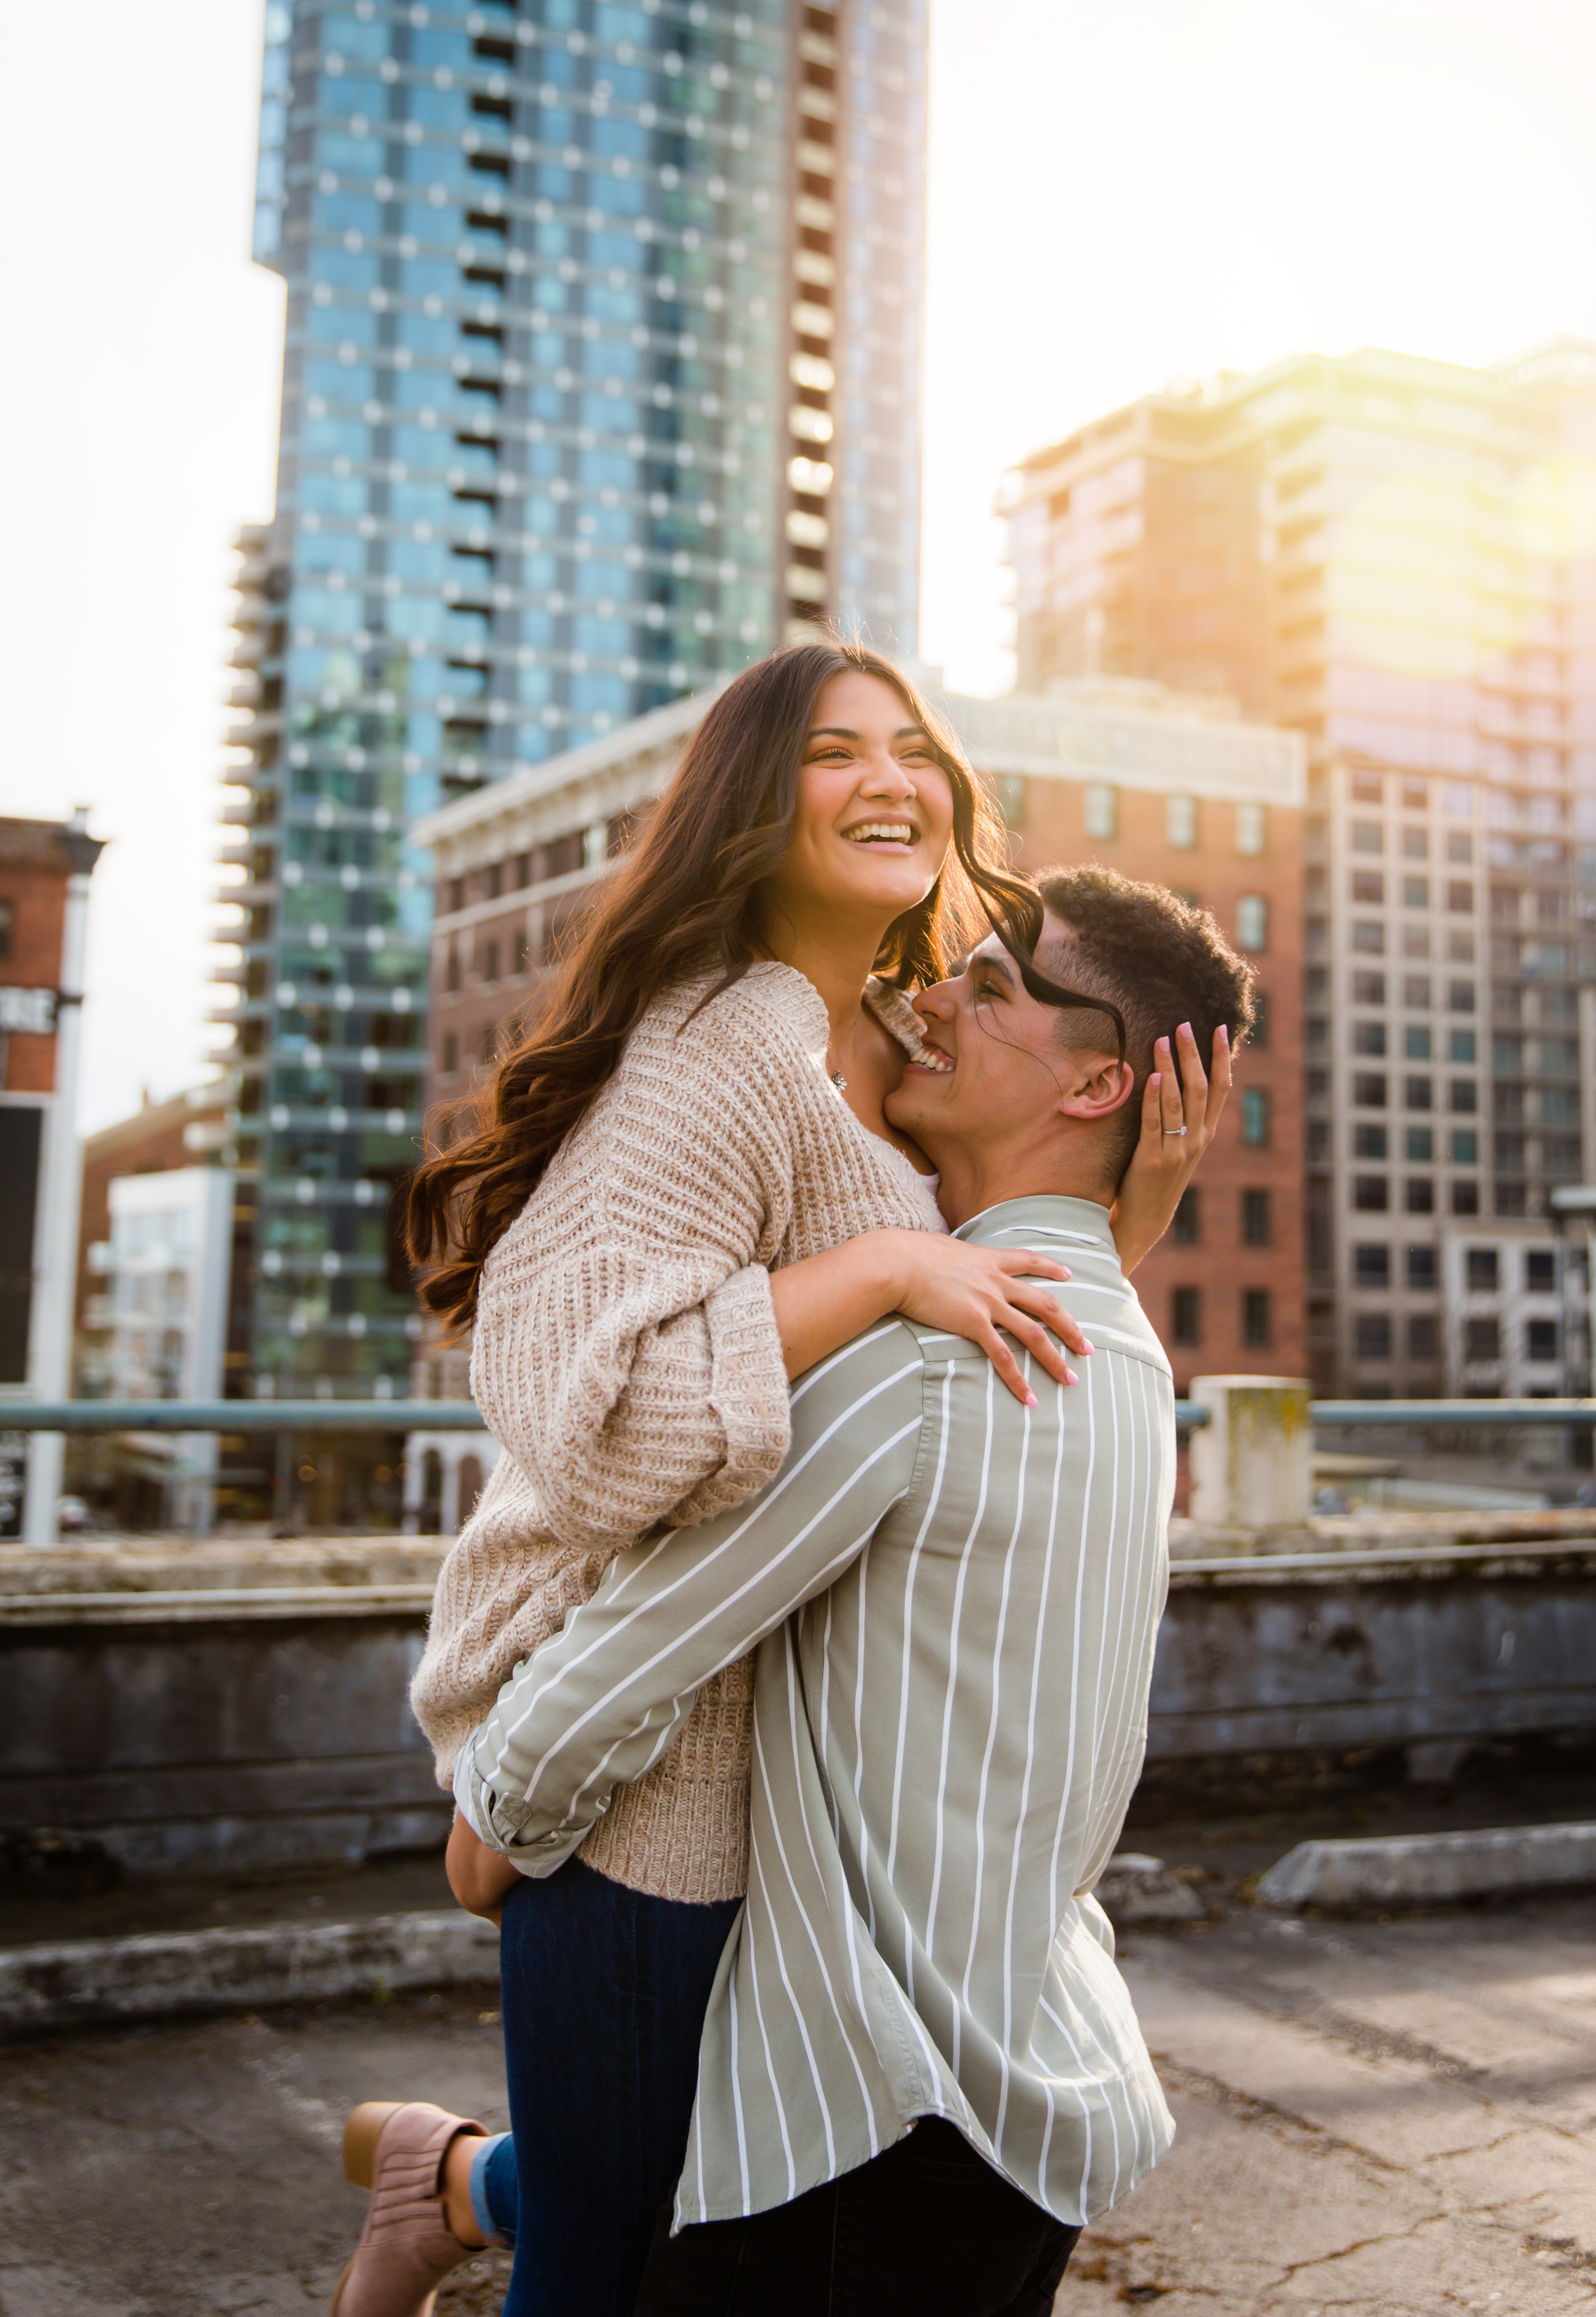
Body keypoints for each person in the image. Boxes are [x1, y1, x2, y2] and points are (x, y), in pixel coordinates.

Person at [330, 645, 1225, 2317]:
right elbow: (577, 1413)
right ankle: (455, 2197)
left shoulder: (885, 1037)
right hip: (636, 1765)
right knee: (605, 2274)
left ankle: (448, 2182)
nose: (892, 780)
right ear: (756, 802)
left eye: (915, 750)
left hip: (786, 1768)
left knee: (674, 2194)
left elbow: (979, 1328)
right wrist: (875, 1273)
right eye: (831, 752)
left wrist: (1112, 1222)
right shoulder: (723, 1044)